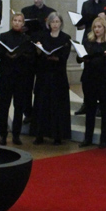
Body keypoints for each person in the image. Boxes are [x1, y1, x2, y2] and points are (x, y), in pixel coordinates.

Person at [77, 16, 106, 148]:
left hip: (105, 79)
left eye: (99, 27)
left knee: (105, 108)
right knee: (90, 108)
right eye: (95, 27)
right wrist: (82, 58)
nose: (97, 29)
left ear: (105, 28)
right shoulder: (88, 42)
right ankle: (88, 138)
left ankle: (104, 140)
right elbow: (79, 58)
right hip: (89, 78)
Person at [31, 12, 72, 144]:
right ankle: (39, 134)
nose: (55, 24)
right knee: (42, 104)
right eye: (52, 22)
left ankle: (57, 135)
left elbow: (64, 56)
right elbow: (37, 57)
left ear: (61, 23)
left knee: (57, 106)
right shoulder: (43, 37)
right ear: (48, 23)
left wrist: (56, 58)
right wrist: (39, 50)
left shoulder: (65, 38)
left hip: (58, 75)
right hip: (44, 74)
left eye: (57, 22)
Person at [0, 12, 35, 144]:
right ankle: (3, 135)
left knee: (19, 106)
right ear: (12, 21)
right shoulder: (4, 36)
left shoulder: (27, 39)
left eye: (20, 21)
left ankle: (16, 135)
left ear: (23, 23)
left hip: (20, 75)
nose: (17, 23)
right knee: (4, 105)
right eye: (15, 20)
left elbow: (31, 57)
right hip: (6, 74)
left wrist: (19, 55)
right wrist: (8, 54)